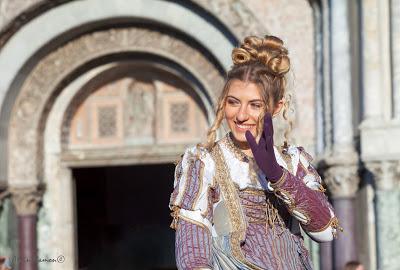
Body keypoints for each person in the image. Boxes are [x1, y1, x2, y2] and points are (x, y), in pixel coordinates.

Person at [169, 35, 341, 270]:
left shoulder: (292, 161)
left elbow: (327, 231)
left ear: (276, 107)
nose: (241, 115)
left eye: (255, 105)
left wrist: (278, 176)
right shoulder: (203, 163)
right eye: (233, 102)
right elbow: (193, 258)